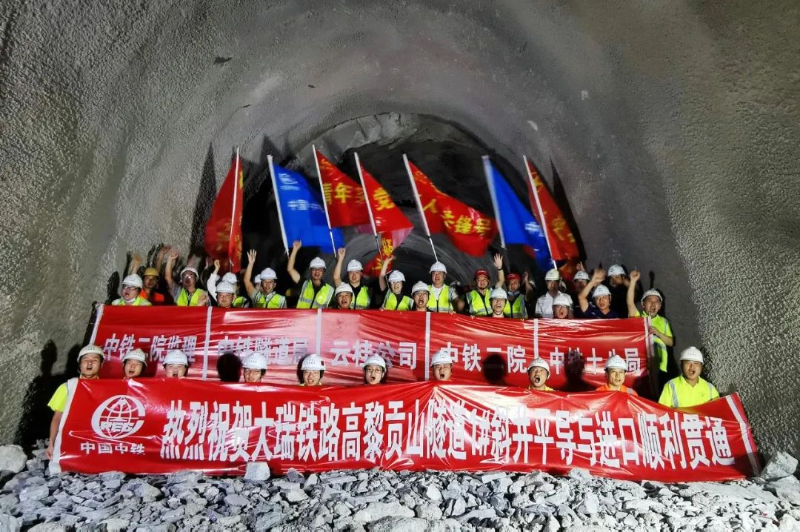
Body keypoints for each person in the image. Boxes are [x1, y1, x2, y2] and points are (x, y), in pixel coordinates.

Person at [46, 345, 104, 459]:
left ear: (101, 365)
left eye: (94, 360)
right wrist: (51, 443)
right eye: (85, 360)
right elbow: (57, 418)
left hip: (97, 442)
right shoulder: (67, 387)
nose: (89, 363)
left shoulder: (107, 389)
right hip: (72, 441)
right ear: (80, 364)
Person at [627, 270, 674, 389]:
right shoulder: (638, 318)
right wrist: (632, 282)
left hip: (661, 367)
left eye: (656, 302)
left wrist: (659, 334)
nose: (653, 305)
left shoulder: (664, 321)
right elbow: (630, 304)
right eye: (649, 301)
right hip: (642, 366)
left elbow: (671, 342)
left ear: (660, 305)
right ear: (643, 304)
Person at [287, 241, 334, 309]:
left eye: (320, 269)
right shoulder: (303, 283)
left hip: (318, 320)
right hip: (301, 318)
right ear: (310, 271)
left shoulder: (330, 290)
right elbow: (290, 269)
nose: (317, 271)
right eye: (314, 269)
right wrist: (295, 249)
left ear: (323, 271)